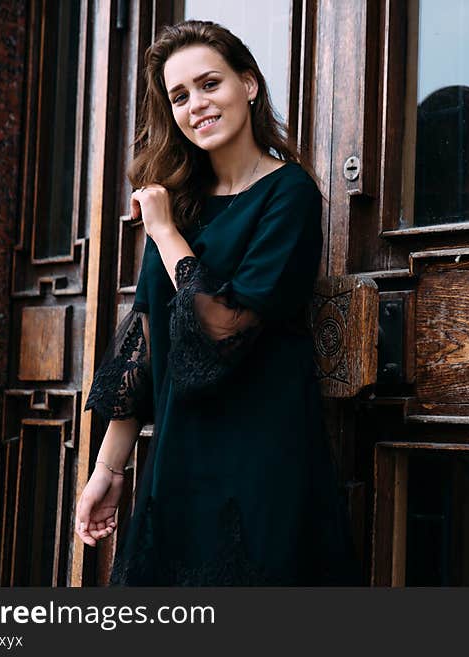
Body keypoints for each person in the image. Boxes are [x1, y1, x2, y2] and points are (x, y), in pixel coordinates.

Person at [75, 19, 359, 586]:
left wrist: (164, 233)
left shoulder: (290, 193)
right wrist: (108, 469)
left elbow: (225, 326)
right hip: (180, 453)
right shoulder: (178, 202)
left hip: (260, 450)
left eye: (209, 84)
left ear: (248, 85)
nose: (195, 105)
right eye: (179, 96)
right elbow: (148, 340)